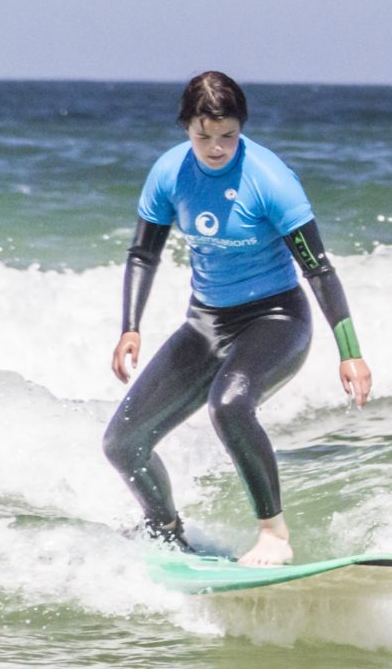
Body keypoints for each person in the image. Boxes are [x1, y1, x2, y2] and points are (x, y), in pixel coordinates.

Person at [102, 72, 371, 566]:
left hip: (276, 318)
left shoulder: (270, 180)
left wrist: (350, 352)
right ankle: (164, 527)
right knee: (123, 443)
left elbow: (319, 268)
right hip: (205, 324)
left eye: (228, 135)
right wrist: (130, 327)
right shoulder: (169, 173)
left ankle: (274, 533)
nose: (217, 148)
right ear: (186, 127)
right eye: (204, 135)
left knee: (228, 405)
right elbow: (143, 254)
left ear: (240, 127)